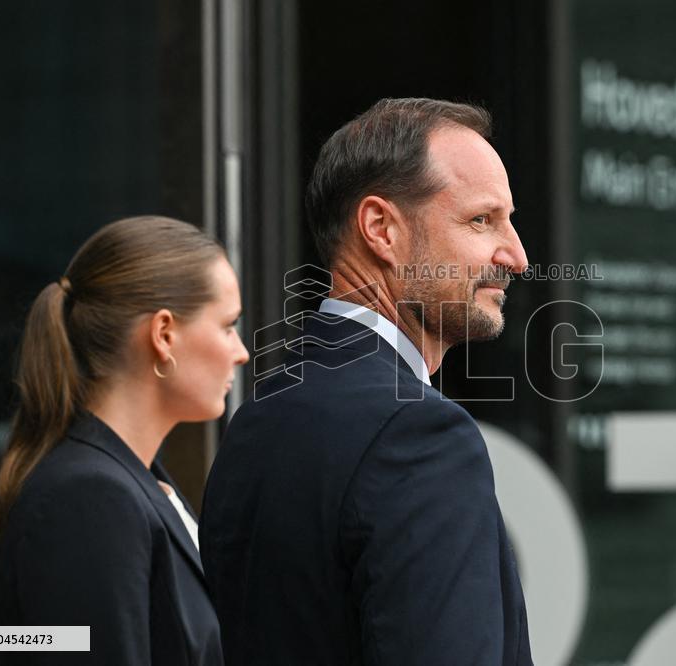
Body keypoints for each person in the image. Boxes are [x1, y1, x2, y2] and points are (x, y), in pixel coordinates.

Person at [201, 98, 533, 665]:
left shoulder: (257, 417)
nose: (518, 257)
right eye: (481, 220)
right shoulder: (418, 432)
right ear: (381, 229)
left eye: (509, 220)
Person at [0, 216, 249, 665]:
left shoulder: (127, 482)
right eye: (228, 325)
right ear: (164, 334)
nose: (241, 351)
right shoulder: (90, 496)